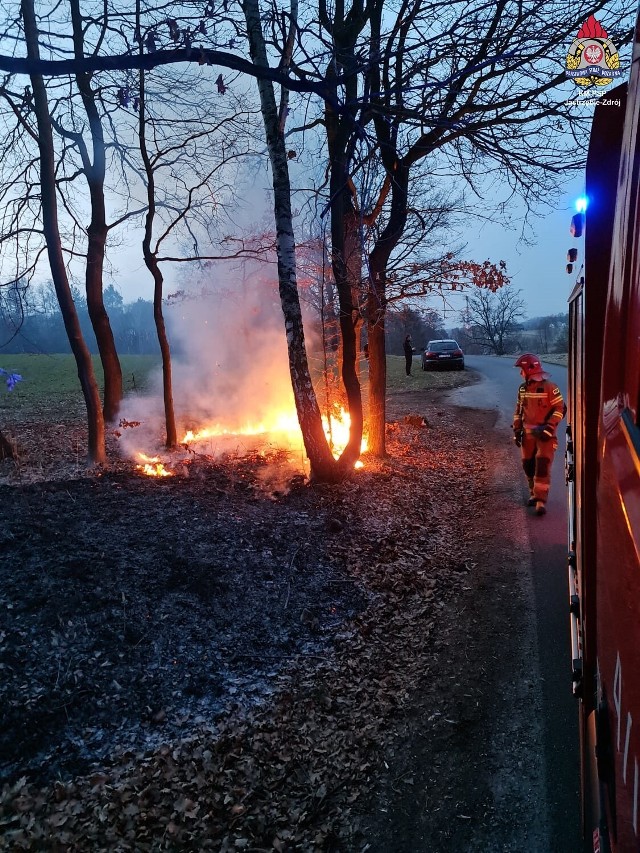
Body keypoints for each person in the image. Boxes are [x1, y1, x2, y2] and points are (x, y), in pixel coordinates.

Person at [512, 353, 565, 516]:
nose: (521, 373)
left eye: (522, 370)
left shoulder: (550, 387)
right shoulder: (522, 389)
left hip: (545, 436)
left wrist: (550, 427)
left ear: (529, 369)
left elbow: (560, 409)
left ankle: (541, 500)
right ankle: (534, 493)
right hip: (528, 436)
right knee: (528, 465)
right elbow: (518, 411)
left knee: (542, 465)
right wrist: (517, 429)